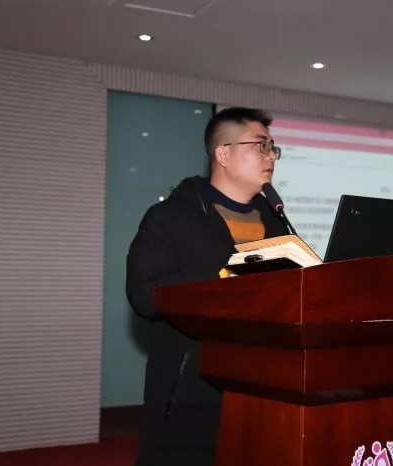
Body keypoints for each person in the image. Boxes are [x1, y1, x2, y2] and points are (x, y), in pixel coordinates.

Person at [125, 107, 290, 466]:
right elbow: (144, 293)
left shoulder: (277, 224)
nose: (270, 156)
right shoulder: (172, 217)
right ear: (223, 154)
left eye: (273, 148)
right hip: (190, 392)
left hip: (262, 388)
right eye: (260, 145)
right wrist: (225, 279)